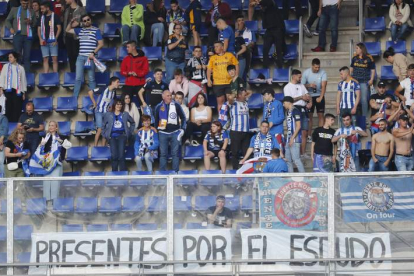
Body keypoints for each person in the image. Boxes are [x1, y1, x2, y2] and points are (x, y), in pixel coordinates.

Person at [30, 121, 71, 202]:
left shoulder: (61, 137)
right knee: (46, 184)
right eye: (49, 125)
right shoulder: (44, 137)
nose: (51, 127)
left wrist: (59, 140)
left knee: (55, 184)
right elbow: (39, 151)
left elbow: (69, 145)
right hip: (47, 165)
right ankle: (47, 203)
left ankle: (55, 203)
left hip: (57, 164)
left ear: (56, 127)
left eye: (52, 125)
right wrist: (41, 145)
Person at [66, 14, 104, 98]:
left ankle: (93, 98)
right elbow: (67, 30)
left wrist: (93, 53)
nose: (87, 21)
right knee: (78, 78)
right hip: (80, 57)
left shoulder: (96, 30)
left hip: (90, 57)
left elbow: (101, 44)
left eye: (88, 19)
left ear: (91, 20)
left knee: (91, 78)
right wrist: (71, 22)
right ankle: (74, 98)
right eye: (84, 21)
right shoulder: (80, 30)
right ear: (82, 22)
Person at [154, 90, 186, 172]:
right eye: (168, 96)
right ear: (163, 97)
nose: (170, 97)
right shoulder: (158, 106)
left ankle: (175, 173)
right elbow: (156, 120)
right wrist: (157, 132)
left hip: (175, 132)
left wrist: (182, 128)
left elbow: (183, 117)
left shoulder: (176, 105)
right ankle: (162, 174)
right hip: (162, 133)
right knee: (163, 154)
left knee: (175, 154)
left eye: (170, 95)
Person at [284, 69, 312, 157]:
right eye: (299, 77)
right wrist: (301, 97)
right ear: (294, 76)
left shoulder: (301, 86)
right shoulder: (287, 87)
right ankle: (295, 153)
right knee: (295, 131)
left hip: (303, 109)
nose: (300, 78)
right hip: (294, 109)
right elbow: (289, 100)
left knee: (305, 131)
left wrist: (310, 102)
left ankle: (303, 153)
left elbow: (308, 95)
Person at [102, 99, 136, 171]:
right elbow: (103, 125)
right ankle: (114, 173)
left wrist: (129, 132)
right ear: (114, 105)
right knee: (114, 156)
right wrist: (105, 134)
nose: (119, 106)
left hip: (122, 136)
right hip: (112, 137)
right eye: (117, 104)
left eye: (120, 104)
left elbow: (133, 123)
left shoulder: (125, 114)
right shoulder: (108, 114)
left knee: (121, 156)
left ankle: (122, 174)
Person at [207, 41, 239, 111]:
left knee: (230, 100)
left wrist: (236, 76)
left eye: (217, 46)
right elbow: (209, 69)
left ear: (222, 47)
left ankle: (231, 118)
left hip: (229, 82)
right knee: (220, 102)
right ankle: (221, 121)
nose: (215, 48)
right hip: (218, 83)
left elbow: (236, 64)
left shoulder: (230, 55)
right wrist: (209, 79)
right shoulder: (212, 58)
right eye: (214, 47)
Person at [5, 0, 36, 72]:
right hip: (17, 36)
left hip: (28, 36)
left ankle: (27, 76)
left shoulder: (31, 11)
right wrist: (10, 28)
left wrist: (30, 22)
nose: (25, 5)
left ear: (28, 3)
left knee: (27, 57)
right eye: (23, 3)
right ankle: (16, 74)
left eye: (26, 4)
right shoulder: (14, 9)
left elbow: (35, 24)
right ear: (20, 2)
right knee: (17, 56)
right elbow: (7, 20)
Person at [301, 58, 328, 142]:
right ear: (312, 66)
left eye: (318, 67)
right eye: (315, 67)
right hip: (309, 96)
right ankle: (309, 135)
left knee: (321, 115)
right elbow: (301, 85)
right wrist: (309, 85)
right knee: (310, 116)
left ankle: (320, 134)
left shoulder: (323, 72)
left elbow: (324, 86)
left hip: (319, 95)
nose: (317, 69)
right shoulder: (306, 72)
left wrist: (320, 97)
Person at [89, 76, 120, 147]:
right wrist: (94, 102)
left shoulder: (114, 92)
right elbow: (90, 92)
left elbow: (114, 101)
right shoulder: (103, 88)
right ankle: (95, 147)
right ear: (112, 82)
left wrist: (111, 107)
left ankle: (103, 147)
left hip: (106, 113)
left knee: (105, 130)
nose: (119, 84)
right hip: (99, 111)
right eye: (117, 82)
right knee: (99, 129)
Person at [0, 52, 27, 123]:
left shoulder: (21, 68)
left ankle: (16, 125)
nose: (9, 58)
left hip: (17, 91)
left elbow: (23, 80)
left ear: (15, 58)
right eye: (9, 57)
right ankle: (8, 124)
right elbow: (2, 77)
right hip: (7, 91)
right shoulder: (5, 66)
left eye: (11, 57)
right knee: (8, 108)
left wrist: (24, 92)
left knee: (17, 108)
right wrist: (1, 88)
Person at [350, 43, 375, 118]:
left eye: (357, 48)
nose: (356, 50)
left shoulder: (369, 58)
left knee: (364, 100)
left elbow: (373, 70)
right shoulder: (354, 57)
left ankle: (364, 118)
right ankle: (355, 117)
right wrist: (351, 79)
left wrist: (371, 79)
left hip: (364, 81)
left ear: (361, 49)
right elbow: (351, 69)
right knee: (354, 99)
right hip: (355, 81)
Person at [260, 0, 286, 68]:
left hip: (277, 29)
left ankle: (280, 68)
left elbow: (267, 2)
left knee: (279, 50)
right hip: (269, 30)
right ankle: (265, 68)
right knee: (265, 50)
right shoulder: (264, 9)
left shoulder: (272, 3)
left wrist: (257, 2)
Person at [282, 96, 305, 173]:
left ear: (289, 102)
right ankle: (290, 178)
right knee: (288, 160)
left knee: (296, 160)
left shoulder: (295, 111)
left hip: (295, 139)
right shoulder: (288, 112)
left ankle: (304, 177)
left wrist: (292, 138)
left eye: (284, 103)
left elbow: (298, 126)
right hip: (289, 139)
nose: (283, 105)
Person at [37, 1, 62, 73]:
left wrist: (55, 39)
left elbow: (59, 28)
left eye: (42, 9)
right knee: (45, 59)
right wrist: (40, 39)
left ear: (47, 8)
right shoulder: (41, 17)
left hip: (53, 41)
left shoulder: (55, 16)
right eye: (40, 9)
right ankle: (46, 77)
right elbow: (38, 29)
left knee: (54, 59)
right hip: (44, 41)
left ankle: (55, 76)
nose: (41, 10)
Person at [229, 89, 250, 170]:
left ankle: (246, 170)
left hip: (246, 132)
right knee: (235, 153)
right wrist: (236, 93)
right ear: (239, 95)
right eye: (244, 95)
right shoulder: (233, 103)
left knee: (247, 153)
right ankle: (235, 170)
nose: (246, 96)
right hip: (235, 131)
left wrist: (244, 93)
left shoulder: (245, 102)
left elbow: (250, 92)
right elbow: (230, 97)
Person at [63, 0, 86, 73]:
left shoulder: (81, 10)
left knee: (77, 56)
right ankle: (73, 74)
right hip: (68, 36)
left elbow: (87, 23)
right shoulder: (67, 10)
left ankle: (79, 75)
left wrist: (79, 24)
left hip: (77, 37)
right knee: (70, 57)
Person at [0, 108, 8, 174]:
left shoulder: (3, 118)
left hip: (1, 144)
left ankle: (3, 182)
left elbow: (4, 130)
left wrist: (1, 141)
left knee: (1, 162)